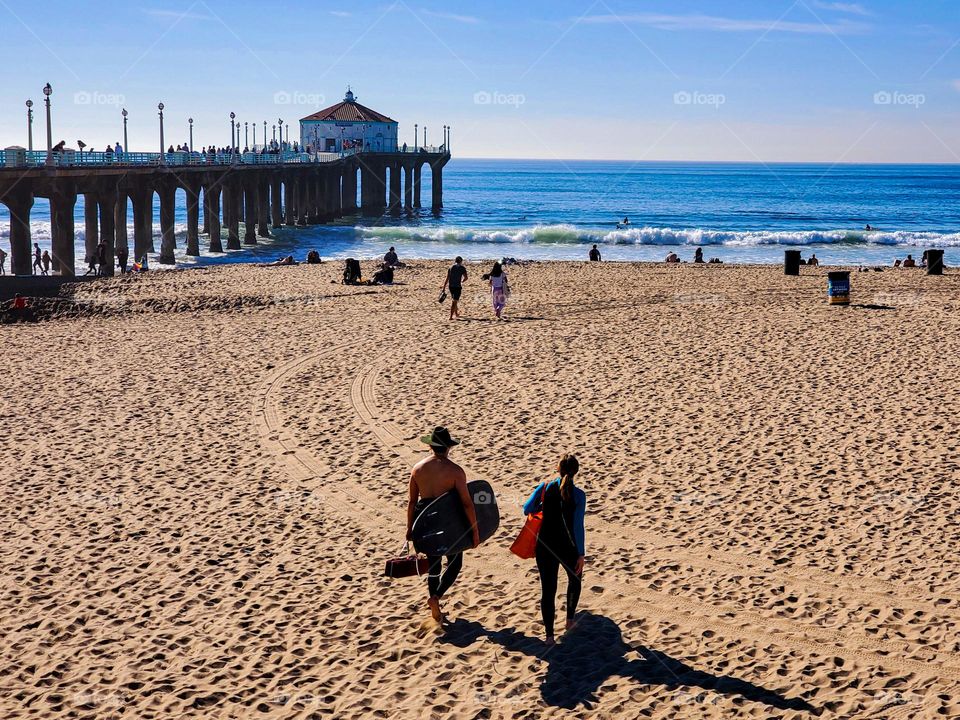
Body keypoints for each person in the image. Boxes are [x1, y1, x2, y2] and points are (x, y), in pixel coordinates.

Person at [406, 427, 479, 623]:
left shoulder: (417, 469)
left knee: (434, 565)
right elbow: (466, 503)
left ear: (430, 446)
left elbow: (412, 502)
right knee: (455, 563)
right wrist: (474, 530)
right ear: (448, 447)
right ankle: (436, 596)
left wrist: (409, 528)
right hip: (448, 524)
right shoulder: (455, 471)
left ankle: (435, 606)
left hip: (426, 521)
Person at [522, 454, 586, 645]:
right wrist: (581, 553)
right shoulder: (579, 495)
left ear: (558, 469)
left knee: (548, 590)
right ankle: (569, 621)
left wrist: (542, 505)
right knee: (575, 581)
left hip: (545, 546)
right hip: (568, 547)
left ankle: (549, 637)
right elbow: (577, 526)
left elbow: (527, 509)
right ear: (576, 472)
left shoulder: (545, 488)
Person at [442, 257, 468, 321]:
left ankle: (456, 313)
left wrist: (444, 287)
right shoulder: (462, 268)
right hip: (457, 287)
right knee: (454, 301)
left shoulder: (451, 267)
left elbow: (447, 278)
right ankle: (451, 316)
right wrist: (462, 281)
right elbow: (466, 278)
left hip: (451, 286)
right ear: (461, 261)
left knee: (454, 299)